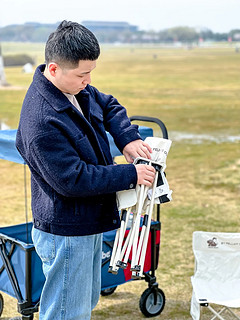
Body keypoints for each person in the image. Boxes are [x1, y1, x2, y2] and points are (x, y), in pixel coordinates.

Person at [16, 20, 156, 320]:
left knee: (83, 304)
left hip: (86, 222)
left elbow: (109, 105)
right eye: (82, 74)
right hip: (67, 231)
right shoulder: (41, 122)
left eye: (91, 72)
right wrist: (130, 175)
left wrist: (128, 138)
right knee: (68, 313)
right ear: (53, 69)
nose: (88, 80)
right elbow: (73, 179)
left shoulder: (75, 88)